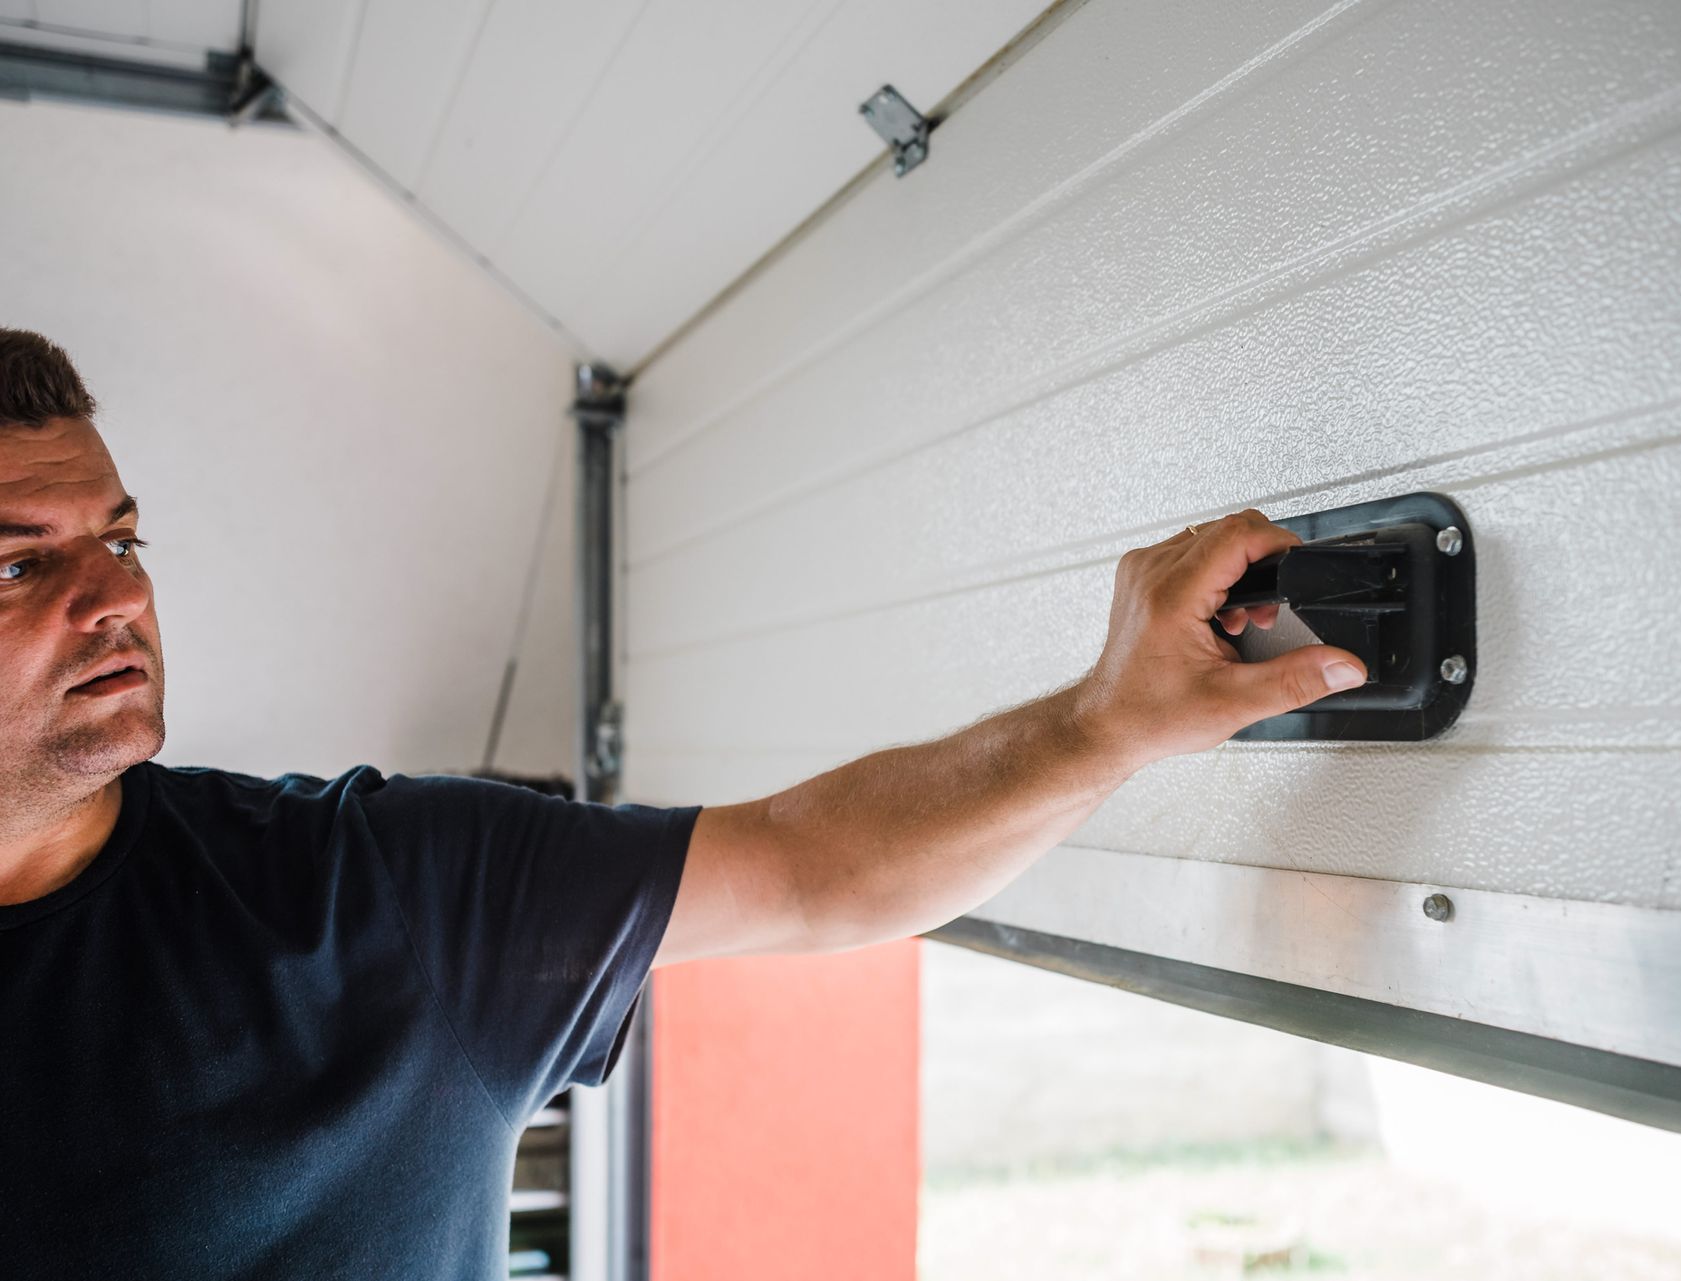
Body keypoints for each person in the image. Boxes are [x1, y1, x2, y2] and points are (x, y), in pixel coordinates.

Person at [0, 327, 1365, 1278]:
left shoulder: (371, 899)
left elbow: (814, 867)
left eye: (121, 536)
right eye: (22, 564)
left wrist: (1100, 721)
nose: (118, 591)